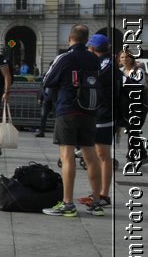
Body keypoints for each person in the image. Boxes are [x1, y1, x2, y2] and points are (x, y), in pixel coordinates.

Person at [40, 26, 107, 217]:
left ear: (70, 38)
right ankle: (96, 202)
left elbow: (47, 80)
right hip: (89, 110)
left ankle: (68, 203)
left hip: (68, 109)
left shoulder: (64, 57)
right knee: (90, 155)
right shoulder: (94, 58)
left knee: (67, 154)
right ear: (86, 41)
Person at [78, 32, 119, 213]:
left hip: (104, 113)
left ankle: (103, 195)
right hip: (102, 112)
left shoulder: (104, 65)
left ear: (93, 48)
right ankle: (98, 194)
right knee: (96, 154)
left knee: (102, 154)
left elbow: (92, 81)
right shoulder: (107, 63)